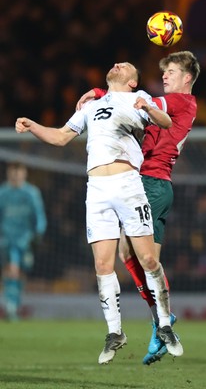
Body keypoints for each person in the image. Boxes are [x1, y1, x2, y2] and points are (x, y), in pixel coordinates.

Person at [15, 61, 183, 365]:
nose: (118, 64)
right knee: (103, 264)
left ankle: (165, 324)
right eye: (117, 63)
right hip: (97, 190)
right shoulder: (92, 106)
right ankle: (115, 332)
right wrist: (33, 126)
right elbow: (61, 137)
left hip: (128, 184)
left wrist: (149, 107)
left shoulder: (138, 98)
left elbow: (167, 123)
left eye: (126, 66)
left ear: (132, 81)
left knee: (147, 259)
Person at [76, 51, 200, 365]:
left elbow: (135, 99)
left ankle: (163, 321)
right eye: (165, 71)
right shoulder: (168, 102)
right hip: (153, 183)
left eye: (171, 71)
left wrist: (101, 92)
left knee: (139, 258)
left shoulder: (181, 102)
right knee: (137, 257)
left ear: (187, 77)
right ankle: (161, 322)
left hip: (151, 182)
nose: (165, 76)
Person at [0, 162, 47, 321]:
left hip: (25, 240)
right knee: (11, 270)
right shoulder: (3, 193)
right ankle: (11, 306)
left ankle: (15, 303)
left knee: (21, 272)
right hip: (6, 239)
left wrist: (38, 234)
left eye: (18, 172)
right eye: (12, 172)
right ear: (8, 173)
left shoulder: (31, 193)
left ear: (24, 174)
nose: (15, 175)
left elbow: (39, 216)